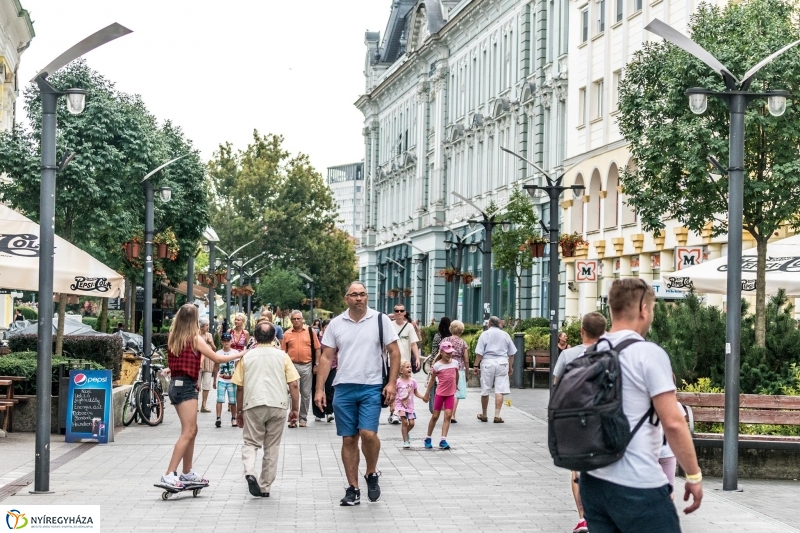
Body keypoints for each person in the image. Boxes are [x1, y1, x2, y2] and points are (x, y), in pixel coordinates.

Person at [579, 279, 703, 532]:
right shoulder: (648, 354)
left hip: (593, 482)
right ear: (644, 310)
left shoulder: (592, 353)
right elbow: (673, 422)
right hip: (637, 484)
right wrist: (693, 475)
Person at [314, 281, 400, 506]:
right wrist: (319, 389)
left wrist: (392, 383)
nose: (359, 298)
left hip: (371, 386)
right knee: (349, 438)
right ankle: (353, 488)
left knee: (368, 434)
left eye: (362, 294)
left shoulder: (380, 320)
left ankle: (371, 472)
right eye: (354, 295)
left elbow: (394, 352)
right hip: (343, 387)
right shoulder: (336, 324)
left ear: (367, 297)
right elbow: (326, 357)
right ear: (347, 298)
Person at [159, 304, 241, 489]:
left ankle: (187, 472)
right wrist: (241, 353)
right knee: (188, 431)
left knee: (192, 430)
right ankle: (169, 474)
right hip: (186, 387)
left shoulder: (174, 336)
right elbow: (217, 358)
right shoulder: (195, 339)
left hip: (176, 385)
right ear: (194, 320)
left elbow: (178, 361)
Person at [552, 312, 607, 533]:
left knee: (577, 470)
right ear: (604, 332)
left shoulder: (568, 355)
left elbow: (557, 385)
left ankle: (584, 518)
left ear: (582, 331)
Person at [232, 322, 300, 498]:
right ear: (274, 337)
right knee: (272, 447)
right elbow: (293, 384)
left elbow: (239, 387)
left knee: (250, 442)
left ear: (255, 337)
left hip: (253, 403)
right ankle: (265, 486)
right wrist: (295, 409)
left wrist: (239, 411)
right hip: (278, 404)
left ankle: (249, 471)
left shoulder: (247, 357)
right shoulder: (282, 356)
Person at [473, 316, 516, 423]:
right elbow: (511, 353)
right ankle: (497, 415)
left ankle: (484, 414)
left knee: (485, 389)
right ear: (499, 324)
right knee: (499, 390)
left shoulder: (485, 334)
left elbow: (479, 353)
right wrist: (510, 367)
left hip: (488, 363)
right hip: (502, 363)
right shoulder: (505, 335)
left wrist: (476, 365)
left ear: (489, 324)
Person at [282, 310, 321, 428]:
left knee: (305, 393)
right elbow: (283, 352)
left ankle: (303, 418)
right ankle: (293, 418)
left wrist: (317, 364)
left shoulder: (310, 331)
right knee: (293, 392)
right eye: (294, 319)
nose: (296, 321)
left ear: (302, 319)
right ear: (291, 320)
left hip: (307, 365)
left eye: (298, 318)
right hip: (292, 365)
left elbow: (317, 348)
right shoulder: (287, 334)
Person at [422, 340, 460, 449]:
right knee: (435, 416)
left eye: (451, 352)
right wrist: (427, 394)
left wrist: (456, 384)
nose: (449, 354)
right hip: (440, 394)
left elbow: (456, 375)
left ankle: (443, 440)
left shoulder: (455, 363)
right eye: (447, 353)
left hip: (450, 394)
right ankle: (428, 438)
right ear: (441, 352)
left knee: (448, 415)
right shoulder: (437, 365)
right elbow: (432, 381)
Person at [388, 304, 420, 424]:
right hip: (391, 361)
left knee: (404, 387)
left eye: (401, 311)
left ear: (405, 312)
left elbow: (413, 344)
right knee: (393, 386)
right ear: (394, 312)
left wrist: (417, 358)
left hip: (405, 362)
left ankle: (402, 410)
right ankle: (393, 413)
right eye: (396, 311)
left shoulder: (409, 327)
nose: (399, 313)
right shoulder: (390, 325)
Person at [442, 320, 469, 423]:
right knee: (456, 393)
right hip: (458, 368)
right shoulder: (463, 342)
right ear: (461, 330)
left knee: (446, 391)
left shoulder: (446, 340)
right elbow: (466, 359)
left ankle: (447, 413)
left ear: (451, 329)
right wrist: (467, 373)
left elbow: (440, 353)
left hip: (445, 367)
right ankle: (452, 415)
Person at [396, 360, 424, 448]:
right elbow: (394, 393)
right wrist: (392, 404)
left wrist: (423, 397)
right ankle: (405, 441)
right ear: (401, 370)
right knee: (404, 422)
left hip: (410, 406)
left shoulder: (413, 381)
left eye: (410, 367)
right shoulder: (398, 381)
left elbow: (416, 392)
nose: (410, 369)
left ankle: (406, 433)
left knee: (411, 423)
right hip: (400, 405)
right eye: (407, 367)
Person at [312, 319, 336, 423]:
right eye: (326, 327)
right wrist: (316, 365)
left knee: (330, 389)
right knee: (318, 388)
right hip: (319, 367)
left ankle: (329, 412)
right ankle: (318, 413)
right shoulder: (318, 337)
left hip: (333, 366)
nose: (328, 329)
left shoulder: (334, 337)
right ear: (322, 327)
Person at [215, 332, 240, 428]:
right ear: (221, 342)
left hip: (232, 380)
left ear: (231, 341)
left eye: (228, 340)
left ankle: (234, 418)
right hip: (221, 379)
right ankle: (218, 418)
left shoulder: (235, 353)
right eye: (224, 341)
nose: (226, 342)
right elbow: (216, 367)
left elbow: (237, 367)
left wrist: (238, 379)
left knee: (233, 400)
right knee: (219, 399)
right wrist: (214, 380)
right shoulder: (218, 353)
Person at [198, 317, 217, 413]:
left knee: (206, 384)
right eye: (206, 325)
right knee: (196, 384)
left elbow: (214, 349)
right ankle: (195, 405)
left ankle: (204, 405)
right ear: (201, 326)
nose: (208, 327)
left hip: (208, 362)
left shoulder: (209, 335)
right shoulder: (196, 335)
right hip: (198, 363)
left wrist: (211, 342)